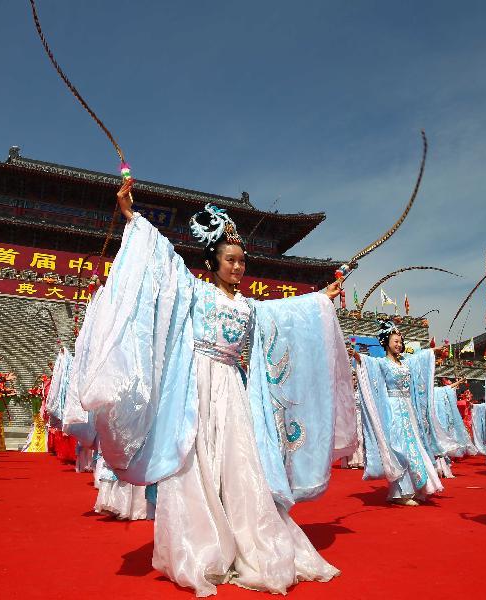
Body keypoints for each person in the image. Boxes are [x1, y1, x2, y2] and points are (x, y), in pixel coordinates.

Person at [66, 177, 355, 596]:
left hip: (233, 391)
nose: (238, 267)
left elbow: (284, 315)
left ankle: (248, 542)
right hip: (195, 386)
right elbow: (161, 260)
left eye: (242, 261)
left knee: (240, 466)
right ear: (213, 262)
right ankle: (201, 548)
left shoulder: (250, 308)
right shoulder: (196, 293)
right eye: (230, 260)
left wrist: (318, 301)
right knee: (194, 465)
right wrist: (132, 216)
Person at [352, 320, 444, 505]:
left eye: (401, 342)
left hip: (408, 407)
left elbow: (420, 358)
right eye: (395, 341)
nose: (399, 345)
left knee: (413, 445)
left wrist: (433, 352)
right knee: (399, 448)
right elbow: (367, 363)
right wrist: (355, 354)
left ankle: (419, 488)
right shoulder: (382, 363)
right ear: (386, 342)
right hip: (392, 409)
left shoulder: (406, 362)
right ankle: (400, 493)